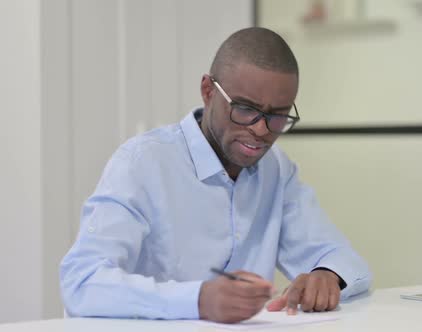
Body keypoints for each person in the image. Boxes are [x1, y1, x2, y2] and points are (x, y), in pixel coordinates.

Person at [60, 27, 371, 323]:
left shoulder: (276, 170)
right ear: (208, 91)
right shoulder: (143, 163)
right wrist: (198, 300)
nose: (260, 130)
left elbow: (344, 260)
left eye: (277, 116)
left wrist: (327, 276)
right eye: (246, 109)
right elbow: (82, 282)